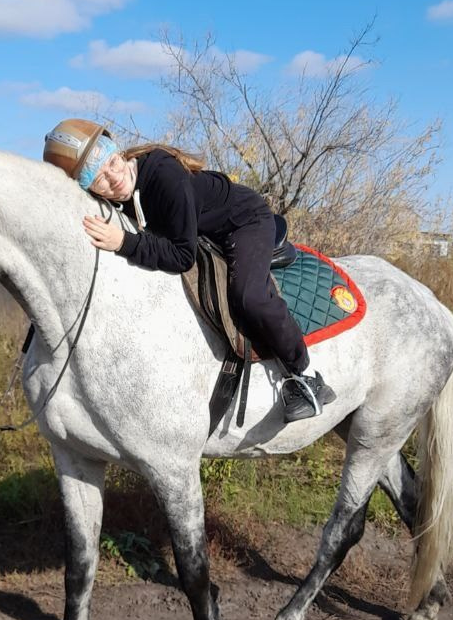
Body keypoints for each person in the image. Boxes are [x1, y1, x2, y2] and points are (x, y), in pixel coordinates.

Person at [42, 119, 335, 422]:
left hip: (243, 221)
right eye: (99, 179)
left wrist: (124, 242)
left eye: (112, 163)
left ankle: (305, 376)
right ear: (89, 189)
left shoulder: (165, 176)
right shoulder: (120, 197)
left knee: (249, 297)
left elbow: (183, 256)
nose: (113, 178)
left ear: (119, 153)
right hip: (205, 229)